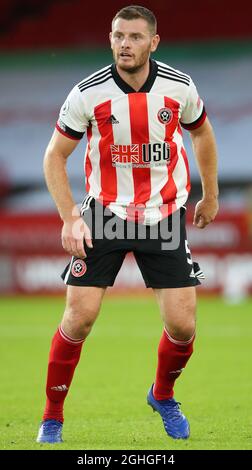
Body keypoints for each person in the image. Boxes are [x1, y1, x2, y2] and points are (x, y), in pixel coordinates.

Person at [36, 5, 219, 444]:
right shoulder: (88, 94)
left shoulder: (180, 86)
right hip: (105, 214)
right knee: (79, 318)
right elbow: (54, 157)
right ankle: (52, 417)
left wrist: (210, 195)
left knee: (182, 325)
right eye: (118, 35)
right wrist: (69, 218)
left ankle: (162, 394)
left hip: (163, 215)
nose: (124, 44)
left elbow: (202, 133)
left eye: (135, 37)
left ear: (153, 42)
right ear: (110, 38)